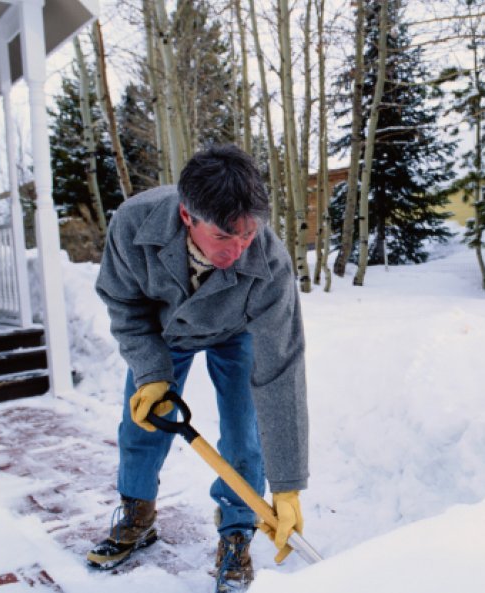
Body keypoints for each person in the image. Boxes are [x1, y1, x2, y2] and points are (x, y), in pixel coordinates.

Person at [87, 144, 309, 593]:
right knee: (142, 427)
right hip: (163, 334)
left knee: (244, 437)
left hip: (237, 332)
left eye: (248, 234)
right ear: (188, 217)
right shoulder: (133, 223)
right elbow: (124, 304)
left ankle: (236, 533)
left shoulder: (268, 262)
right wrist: (151, 373)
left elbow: (280, 370)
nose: (240, 248)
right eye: (225, 237)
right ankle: (138, 514)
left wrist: (287, 485)